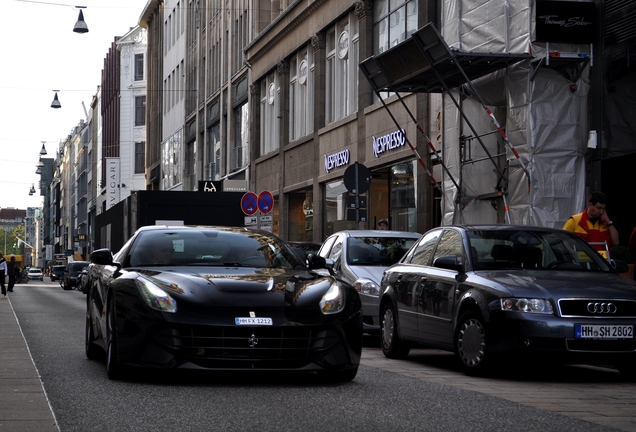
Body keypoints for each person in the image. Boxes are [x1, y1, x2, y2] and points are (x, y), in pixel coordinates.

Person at [563, 191, 619, 257]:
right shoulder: (574, 220)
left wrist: (609, 222)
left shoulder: (605, 222)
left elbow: (616, 242)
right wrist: (573, 255)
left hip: (602, 262)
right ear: (590, 205)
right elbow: (563, 241)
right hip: (582, 262)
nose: (601, 212)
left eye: (603, 209)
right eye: (599, 208)